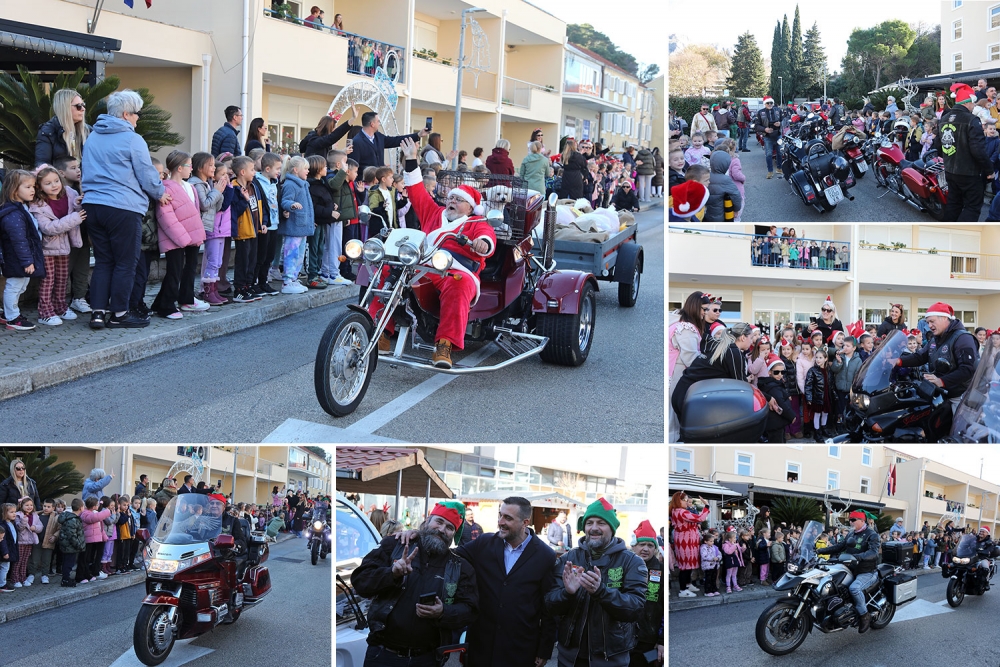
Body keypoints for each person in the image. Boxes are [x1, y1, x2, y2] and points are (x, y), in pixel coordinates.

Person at [370, 138, 496, 368]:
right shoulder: (434, 212)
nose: (452, 202)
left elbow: (488, 239)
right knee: (389, 268)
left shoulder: (477, 221)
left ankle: (444, 345)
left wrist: (481, 244)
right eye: (450, 198)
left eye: (459, 200)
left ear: (470, 207)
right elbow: (417, 191)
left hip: (455, 269)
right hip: (423, 265)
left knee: (460, 285)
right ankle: (378, 332)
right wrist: (410, 158)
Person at [352, 501, 479, 667]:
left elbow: (470, 610)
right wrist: (391, 574)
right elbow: (360, 582)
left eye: (449, 527)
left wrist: (443, 612)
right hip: (383, 655)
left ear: (453, 534)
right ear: (427, 522)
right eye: (439, 522)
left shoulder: (460, 567)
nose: (441, 529)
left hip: (427, 659)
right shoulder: (395, 545)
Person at [81, 90, 167, 329]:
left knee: (103, 261)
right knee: (125, 262)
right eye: (137, 114)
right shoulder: (132, 139)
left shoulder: (93, 137)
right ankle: (119, 314)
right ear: (126, 114)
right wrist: (161, 193)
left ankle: (97, 313)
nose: (138, 118)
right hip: (122, 207)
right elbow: (147, 174)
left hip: (93, 205)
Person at [545, 497, 647, 667]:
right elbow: (549, 604)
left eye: (601, 523)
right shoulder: (568, 558)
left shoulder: (632, 562)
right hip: (570, 658)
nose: (593, 528)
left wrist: (602, 592)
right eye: (589, 522)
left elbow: (635, 608)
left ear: (612, 528)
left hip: (610, 658)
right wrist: (567, 593)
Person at [897, 301, 978, 411]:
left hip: (959, 396)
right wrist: (898, 361)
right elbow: (920, 357)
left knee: (957, 426)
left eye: (932, 321)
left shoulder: (963, 338)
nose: (929, 325)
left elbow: (968, 369)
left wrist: (942, 381)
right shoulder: (937, 338)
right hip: (941, 393)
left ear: (944, 318)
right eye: (927, 322)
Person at [670, 322, 753, 420]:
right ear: (743, 337)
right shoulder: (733, 352)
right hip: (691, 398)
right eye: (751, 338)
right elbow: (740, 385)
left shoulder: (719, 346)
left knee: (689, 434)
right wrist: (767, 398)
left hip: (682, 393)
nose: (752, 342)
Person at [816, 511, 880, 633]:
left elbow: (874, 553)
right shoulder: (851, 534)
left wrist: (857, 557)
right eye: (850, 520)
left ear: (862, 520)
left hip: (866, 571)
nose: (850, 522)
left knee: (854, 589)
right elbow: (839, 547)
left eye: (853, 520)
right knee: (833, 584)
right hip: (850, 569)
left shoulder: (872, 534)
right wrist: (821, 550)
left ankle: (864, 615)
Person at [935, 83, 990, 221]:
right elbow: (978, 150)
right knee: (972, 206)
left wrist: (949, 159)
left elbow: (938, 146)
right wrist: (989, 170)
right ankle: (963, 237)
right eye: (973, 103)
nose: (974, 106)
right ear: (968, 102)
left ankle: (949, 235)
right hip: (969, 172)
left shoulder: (944, 119)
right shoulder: (972, 120)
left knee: (954, 203)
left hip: (950, 171)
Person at [350, 111, 427, 177]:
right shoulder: (357, 141)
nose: (379, 123)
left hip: (381, 181)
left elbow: (395, 140)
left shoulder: (378, 136)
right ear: (372, 124)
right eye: (378, 121)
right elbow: (353, 165)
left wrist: (418, 135)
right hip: (366, 184)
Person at [36, 88, 90, 167]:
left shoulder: (88, 131)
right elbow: (42, 165)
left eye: (83, 105)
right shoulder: (48, 132)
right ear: (65, 108)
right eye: (78, 106)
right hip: (59, 177)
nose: (83, 109)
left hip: (84, 178)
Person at [670, 492, 709, 598]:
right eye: (685, 500)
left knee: (687, 565)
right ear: (678, 500)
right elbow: (700, 518)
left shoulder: (677, 511)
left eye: (687, 500)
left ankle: (688, 584)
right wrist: (706, 506)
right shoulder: (681, 512)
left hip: (687, 541)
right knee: (685, 566)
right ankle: (683, 590)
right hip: (685, 542)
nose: (687, 502)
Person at [805, 347, 833, 441]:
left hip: (826, 396)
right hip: (817, 396)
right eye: (816, 357)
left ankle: (824, 428)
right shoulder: (812, 370)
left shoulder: (828, 370)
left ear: (825, 359)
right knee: (817, 414)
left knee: (825, 413)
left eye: (820, 357)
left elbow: (831, 384)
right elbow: (808, 385)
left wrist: (834, 395)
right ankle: (817, 432)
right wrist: (809, 398)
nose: (818, 360)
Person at [756, 96, 783, 178]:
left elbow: (784, 121)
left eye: (771, 103)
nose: (770, 104)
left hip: (778, 135)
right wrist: (765, 129)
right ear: (765, 104)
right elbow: (757, 126)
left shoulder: (778, 110)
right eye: (768, 103)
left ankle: (779, 168)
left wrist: (780, 124)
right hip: (767, 136)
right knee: (768, 154)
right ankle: (770, 171)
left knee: (780, 152)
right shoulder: (760, 112)